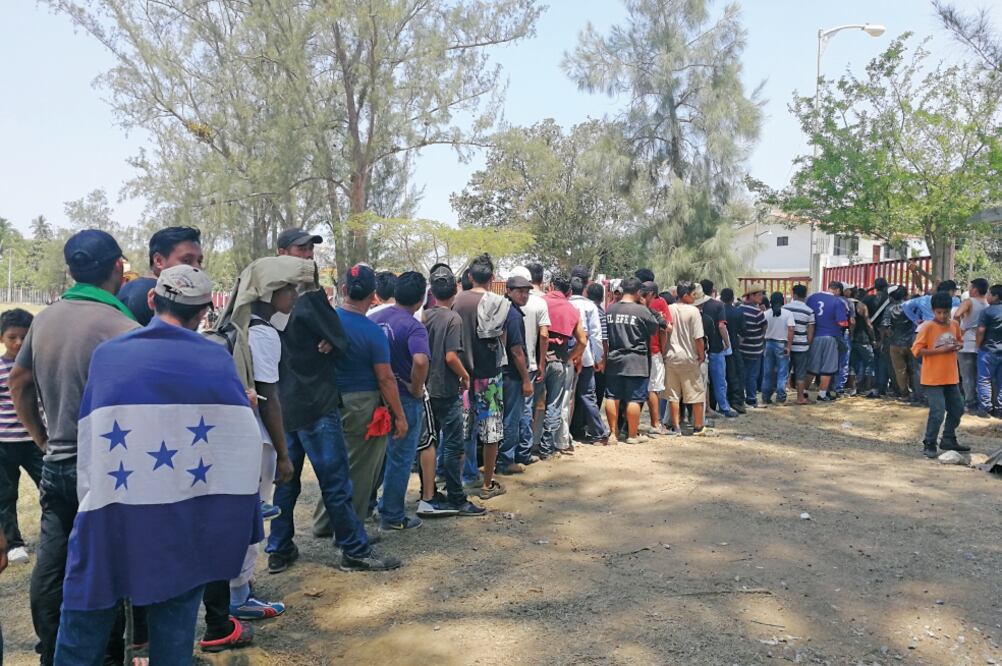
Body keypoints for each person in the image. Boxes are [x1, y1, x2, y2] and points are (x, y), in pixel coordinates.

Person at [53, 265, 263, 664]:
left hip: (112, 513)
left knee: (86, 617)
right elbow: (239, 442)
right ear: (204, 310)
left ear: (152, 299)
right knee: (174, 629)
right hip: (183, 518)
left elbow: (92, 432)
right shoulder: (215, 359)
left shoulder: (109, 356)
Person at [9, 230, 140, 665]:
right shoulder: (124, 328)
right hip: (105, 470)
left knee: (52, 563)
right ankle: (105, 656)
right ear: (118, 268)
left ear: (70, 270)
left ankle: (51, 650)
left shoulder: (45, 318)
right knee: (105, 566)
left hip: (57, 464)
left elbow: (19, 381)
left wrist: (42, 439)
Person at [266, 264, 401, 573]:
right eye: (301, 251)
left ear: (342, 290)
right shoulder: (312, 299)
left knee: (287, 481)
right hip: (315, 403)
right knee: (336, 480)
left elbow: (337, 337)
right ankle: (353, 549)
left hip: (283, 404)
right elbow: (346, 345)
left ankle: (279, 548)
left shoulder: (266, 301)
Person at [315, 264, 407, 536]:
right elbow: (385, 378)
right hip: (362, 405)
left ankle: (324, 522)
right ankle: (350, 531)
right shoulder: (371, 331)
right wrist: (400, 416)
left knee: (335, 465)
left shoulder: (327, 323)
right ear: (373, 295)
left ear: (343, 289)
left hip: (328, 401)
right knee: (360, 470)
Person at [370, 272, 431, 531]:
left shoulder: (375, 318)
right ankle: (393, 515)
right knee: (401, 457)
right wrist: (416, 387)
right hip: (404, 399)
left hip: (376, 397)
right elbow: (420, 360)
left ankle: (369, 505)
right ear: (420, 299)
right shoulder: (413, 325)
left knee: (375, 456)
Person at [422, 265, 483, 515]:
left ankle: (428, 493)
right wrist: (465, 375)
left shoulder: (425, 316)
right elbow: (450, 356)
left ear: (433, 292)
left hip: (426, 389)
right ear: (455, 290)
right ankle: (457, 497)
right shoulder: (452, 318)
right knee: (454, 445)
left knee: (429, 443)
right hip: (446, 389)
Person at [452, 254, 508, 498]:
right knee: (491, 429)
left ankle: (463, 479)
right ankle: (487, 484)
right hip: (490, 376)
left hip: (461, 375)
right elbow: (502, 338)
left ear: (470, 277)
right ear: (492, 278)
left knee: (464, 429)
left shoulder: (457, 301)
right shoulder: (499, 302)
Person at [0, 309, 42, 565]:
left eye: (24, 338)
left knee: (49, 487)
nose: (18, 343)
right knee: (5, 494)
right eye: (12, 337)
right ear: (2, 338)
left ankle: (56, 533)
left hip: (34, 440)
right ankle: (14, 543)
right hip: (4, 443)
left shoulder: (37, 365)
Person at [604, 278, 660, 444]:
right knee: (634, 398)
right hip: (637, 360)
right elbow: (654, 328)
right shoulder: (641, 311)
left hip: (614, 358)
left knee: (612, 396)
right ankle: (632, 435)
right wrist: (644, 306)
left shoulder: (611, 309)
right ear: (637, 292)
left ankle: (613, 434)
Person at [912, 292, 967, 458]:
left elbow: (959, 341)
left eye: (945, 312)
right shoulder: (927, 327)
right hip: (932, 378)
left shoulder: (954, 325)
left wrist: (958, 345)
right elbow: (916, 351)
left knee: (957, 409)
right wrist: (939, 350)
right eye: (939, 312)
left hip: (951, 376)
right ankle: (929, 442)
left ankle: (948, 438)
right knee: (938, 411)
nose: (942, 316)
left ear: (950, 310)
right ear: (933, 311)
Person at [116, 226, 204, 325]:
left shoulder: (132, 288)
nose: (197, 268)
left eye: (199, 261)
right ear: (159, 261)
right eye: (186, 260)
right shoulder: (159, 296)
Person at [539, 273, 586, 455]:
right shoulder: (572, 309)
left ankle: (526, 447)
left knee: (530, 404)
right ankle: (546, 446)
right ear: (568, 291)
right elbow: (582, 341)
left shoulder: (540, 302)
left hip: (538, 360)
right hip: (559, 361)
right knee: (554, 404)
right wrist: (569, 357)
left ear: (550, 286)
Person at [497, 275, 534, 473]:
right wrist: (526, 379)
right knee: (511, 418)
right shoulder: (513, 315)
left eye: (527, 291)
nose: (524, 295)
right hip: (512, 375)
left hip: (499, 372)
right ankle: (505, 461)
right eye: (520, 291)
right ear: (509, 291)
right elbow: (516, 350)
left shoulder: (503, 310)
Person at [663, 282, 708, 436]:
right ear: (685, 295)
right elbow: (698, 338)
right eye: (692, 294)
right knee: (696, 393)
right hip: (689, 357)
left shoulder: (669, 309)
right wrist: (701, 355)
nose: (694, 297)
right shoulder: (694, 312)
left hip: (671, 356)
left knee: (674, 395)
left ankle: (675, 426)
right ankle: (698, 425)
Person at [569, 276, 609, 444]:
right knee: (588, 395)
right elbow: (596, 335)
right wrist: (599, 358)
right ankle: (599, 432)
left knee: (568, 397)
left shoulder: (567, 304)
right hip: (586, 357)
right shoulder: (590, 306)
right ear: (584, 289)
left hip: (568, 355)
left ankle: (571, 431)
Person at [636, 273, 672, 433]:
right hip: (654, 350)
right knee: (653, 389)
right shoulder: (661, 302)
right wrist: (664, 351)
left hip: (636, 351)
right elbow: (667, 329)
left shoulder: (633, 301)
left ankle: (630, 425)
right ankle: (655, 423)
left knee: (635, 388)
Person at [694, 286, 736, 418]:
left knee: (702, 382)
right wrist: (727, 343)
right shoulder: (718, 305)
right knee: (720, 381)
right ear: (712, 291)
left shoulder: (692, 308)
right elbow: (721, 326)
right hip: (716, 347)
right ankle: (724, 407)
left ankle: (705, 408)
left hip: (699, 349)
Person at [806, 281, 849, 402]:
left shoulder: (812, 298)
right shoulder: (838, 301)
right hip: (831, 336)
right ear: (837, 291)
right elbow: (842, 322)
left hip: (814, 336)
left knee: (812, 366)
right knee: (828, 367)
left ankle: (804, 391)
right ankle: (822, 394)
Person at [954, 278, 988, 413]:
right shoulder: (988, 304)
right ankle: (981, 403)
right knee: (979, 375)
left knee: (967, 376)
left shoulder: (969, 302)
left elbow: (956, 314)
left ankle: (970, 403)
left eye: (970, 287)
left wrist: (959, 330)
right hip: (981, 344)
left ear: (975, 289)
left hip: (966, 342)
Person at [882, 286, 916, 403]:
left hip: (895, 343)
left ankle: (904, 394)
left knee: (900, 370)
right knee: (913, 369)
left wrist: (890, 336)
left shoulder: (889, 308)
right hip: (912, 342)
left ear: (891, 297)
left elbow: (886, 326)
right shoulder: (911, 306)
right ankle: (916, 393)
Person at [784, 285, 816, 405]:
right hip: (802, 346)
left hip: (787, 345)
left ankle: (781, 397)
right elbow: (811, 330)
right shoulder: (809, 310)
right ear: (805, 296)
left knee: (784, 371)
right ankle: (800, 398)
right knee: (800, 373)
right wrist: (807, 343)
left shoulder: (785, 308)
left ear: (794, 295)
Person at [761, 292, 795, 404]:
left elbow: (762, 329)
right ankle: (780, 396)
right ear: (783, 301)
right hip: (782, 344)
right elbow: (791, 330)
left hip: (768, 343)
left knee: (767, 372)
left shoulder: (766, 314)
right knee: (782, 372)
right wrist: (789, 346)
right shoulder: (788, 314)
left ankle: (765, 396)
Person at [738, 284, 767, 408]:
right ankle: (751, 398)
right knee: (752, 375)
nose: (761, 297)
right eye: (759, 295)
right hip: (754, 348)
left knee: (742, 374)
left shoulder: (738, 309)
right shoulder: (758, 312)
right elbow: (764, 328)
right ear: (751, 296)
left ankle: (741, 397)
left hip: (741, 347)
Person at [976, 284, 1002, 418]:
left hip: (988, 350)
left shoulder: (987, 312)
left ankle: (985, 409)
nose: (987, 296)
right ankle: (1000, 409)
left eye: (990, 294)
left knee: (984, 379)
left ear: (996, 296)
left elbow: (981, 331)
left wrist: (978, 345)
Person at [720, 288, 747, 413]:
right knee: (736, 375)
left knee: (722, 376)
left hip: (719, 347)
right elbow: (743, 331)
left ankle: (723, 401)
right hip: (734, 347)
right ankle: (737, 401)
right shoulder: (737, 312)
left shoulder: (719, 311)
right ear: (732, 299)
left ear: (721, 298)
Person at [849, 290, 876, 396]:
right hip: (863, 339)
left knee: (854, 365)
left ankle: (854, 388)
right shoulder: (861, 306)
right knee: (869, 363)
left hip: (852, 339)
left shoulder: (847, 305)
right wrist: (873, 338)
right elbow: (868, 324)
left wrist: (851, 335)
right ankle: (867, 388)